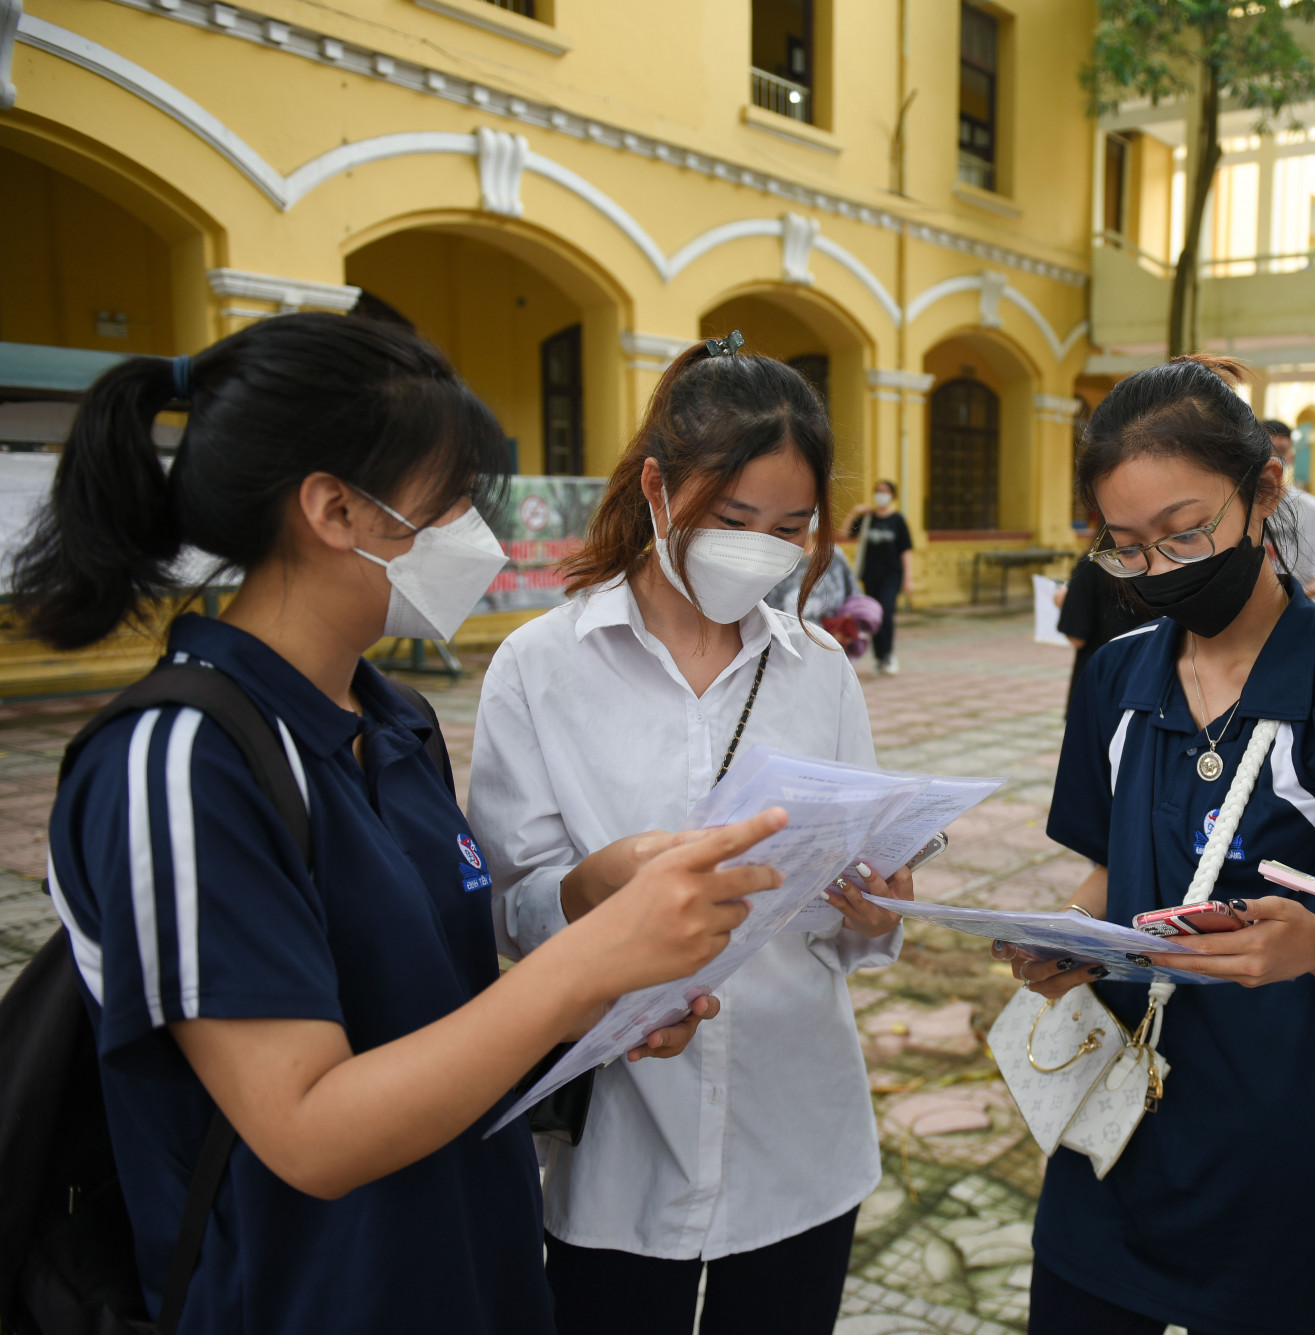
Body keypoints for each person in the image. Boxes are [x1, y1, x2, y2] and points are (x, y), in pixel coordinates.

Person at [20, 313, 778, 1334]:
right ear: (334, 508)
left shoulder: (392, 721)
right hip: (309, 1299)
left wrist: (596, 987)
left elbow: (426, 1014)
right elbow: (307, 1130)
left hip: (476, 1274)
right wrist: (588, 965)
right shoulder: (178, 762)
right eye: (453, 501)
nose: (478, 535)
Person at [470, 338, 915, 1335]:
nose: (759, 547)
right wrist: (600, 884)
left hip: (796, 1132)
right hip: (613, 1140)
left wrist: (875, 901)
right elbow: (507, 906)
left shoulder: (818, 671)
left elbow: (850, 919)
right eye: (732, 518)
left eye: (789, 527)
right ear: (658, 487)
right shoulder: (541, 668)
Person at [996, 356, 1315, 1335]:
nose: (1163, 569)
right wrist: (1063, 937)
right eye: (1129, 548)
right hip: (1110, 1128)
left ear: (1264, 491)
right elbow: (1108, 869)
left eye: (1187, 532)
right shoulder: (1113, 677)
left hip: (1275, 1150)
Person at [1054, 548, 1148, 710]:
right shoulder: (1158, 556)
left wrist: (1065, 603)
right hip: (1148, 679)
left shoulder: (1092, 563)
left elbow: (1077, 638)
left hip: (1100, 682)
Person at [1262, 419, 1315, 598]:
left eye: (1280, 450)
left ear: (1291, 457)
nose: (1273, 457)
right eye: (1267, 449)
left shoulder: (1310, 508)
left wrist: (1287, 603)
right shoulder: (1238, 505)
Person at [845, 479, 914, 675]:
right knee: (873, 616)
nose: (879, 495)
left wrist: (909, 578)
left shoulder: (897, 520)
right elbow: (845, 533)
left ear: (892, 495)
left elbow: (906, 550)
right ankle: (878, 658)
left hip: (892, 575)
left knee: (887, 611)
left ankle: (888, 655)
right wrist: (854, 512)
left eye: (884, 491)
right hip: (870, 575)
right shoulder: (868, 518)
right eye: (877, 491)